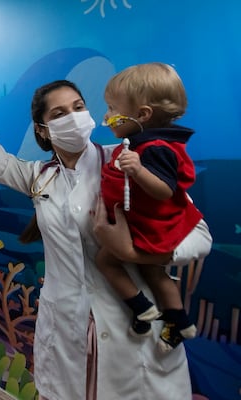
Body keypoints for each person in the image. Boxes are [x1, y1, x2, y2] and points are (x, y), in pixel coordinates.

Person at [0, 35, 196, 399]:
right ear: (42, 130)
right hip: (67, 325)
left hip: (132, 324)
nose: (74, 118)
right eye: (59, 113)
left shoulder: (126, 159)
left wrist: (131, 253)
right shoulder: (39, 177)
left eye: (79, 106)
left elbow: (196, 232)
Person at [97, 62, 212, 352]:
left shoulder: (155, 148)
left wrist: (137, 171)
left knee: (107, 261)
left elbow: (164, 190)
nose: (106, 117)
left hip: (155, 229)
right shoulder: (141, 143)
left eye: (111, 109)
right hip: (146, 225)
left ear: (142, 115)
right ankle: (179, 321)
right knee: (154, 272)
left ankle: (141, 307)